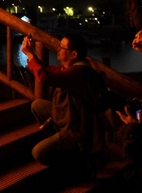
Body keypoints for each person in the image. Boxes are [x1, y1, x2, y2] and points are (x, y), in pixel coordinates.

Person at [21, 33, 106, 170]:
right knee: (37, 105)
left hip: (77, 129)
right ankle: (58, 136)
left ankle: (77, 163)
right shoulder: (72, 68)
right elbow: (47, 71)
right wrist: (32, 57)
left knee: (38, 152)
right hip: (68, 115)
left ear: (74, 54)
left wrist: (31, 55)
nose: (58, 49)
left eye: (62, 47)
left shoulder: (79, 73)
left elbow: (44, 77)